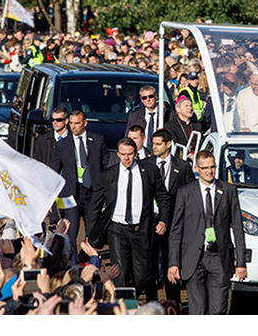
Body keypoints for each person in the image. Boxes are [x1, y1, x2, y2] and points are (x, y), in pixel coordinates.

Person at [86, 138, 170, 296]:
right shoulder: (108, 175)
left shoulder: (150, 171)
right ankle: (123, 306)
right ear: (117, 154)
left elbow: (163, 197)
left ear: (136, 153)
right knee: (121, 273)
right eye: (123, 154)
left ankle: (132, 294)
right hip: (117, 228)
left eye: (130, 154)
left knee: (143, 275)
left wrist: (163, 220)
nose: (126, 158)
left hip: (142, 228)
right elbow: (94, 206)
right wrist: (90, 235)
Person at [167, 150, 247, 315]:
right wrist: (173, 262)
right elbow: (176, 230)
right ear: (197, 168)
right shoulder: (185, 192)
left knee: (218, 311)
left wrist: (241, 263)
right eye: (204, 168)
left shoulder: (228, 191)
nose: (209, 171)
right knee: (198, 311)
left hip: (219, 258)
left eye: (212, 167)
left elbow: (238, 229)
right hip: (194, 259)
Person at [142, 129, 195, 303]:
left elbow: (190, 194)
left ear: (168, 144)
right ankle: (151, 300)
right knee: (149, 262)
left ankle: (173, 301)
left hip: (172, 222)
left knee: (170, 260)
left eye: (158, 144)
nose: (154, 147)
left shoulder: (182, 166)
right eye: (153, 143)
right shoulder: (145, 164)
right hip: (149, 220)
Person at [51, 110, 109, 261]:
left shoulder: (97, 140)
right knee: (71, 229)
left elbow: (105, 166)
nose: (73, 127)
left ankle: (87, 257)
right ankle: (73, 260)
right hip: (71, 192)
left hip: (92, 192)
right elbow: (55, 169)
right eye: (71, 123)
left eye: (77, 123)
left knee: (92, 229)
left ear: (85, 123)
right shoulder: (63, 144)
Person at [164, 96, 203, 161]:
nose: (190, 108)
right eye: (186, 106)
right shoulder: (170, 126)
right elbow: (174, 146)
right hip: (179, 160)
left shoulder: (197, 125)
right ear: (178, 109)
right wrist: (187, 155)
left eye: (191, 105)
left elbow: (201, 143)